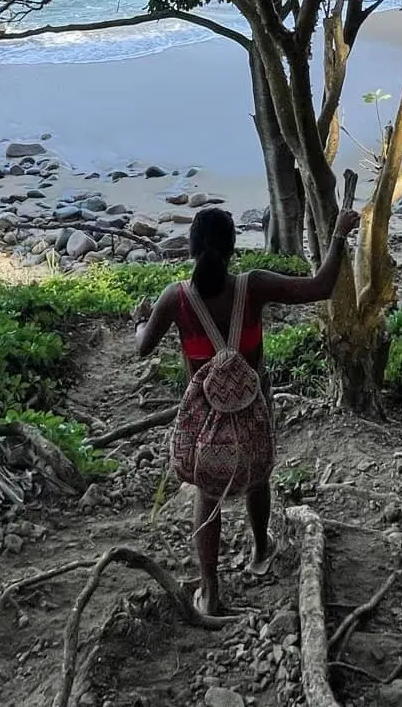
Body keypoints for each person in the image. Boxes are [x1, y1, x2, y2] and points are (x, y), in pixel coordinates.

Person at [133, 204, 360, 615]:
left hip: (205, 419)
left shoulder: (176, 298)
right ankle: (259, 551)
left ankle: (211, 590)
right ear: (233, 247)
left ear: (192, 248)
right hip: (253, 408)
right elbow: (321, 286)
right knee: (258, 476)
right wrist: (339, 235)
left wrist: (141, 319)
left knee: (208, 493)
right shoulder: (252, 287)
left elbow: (142, 346)